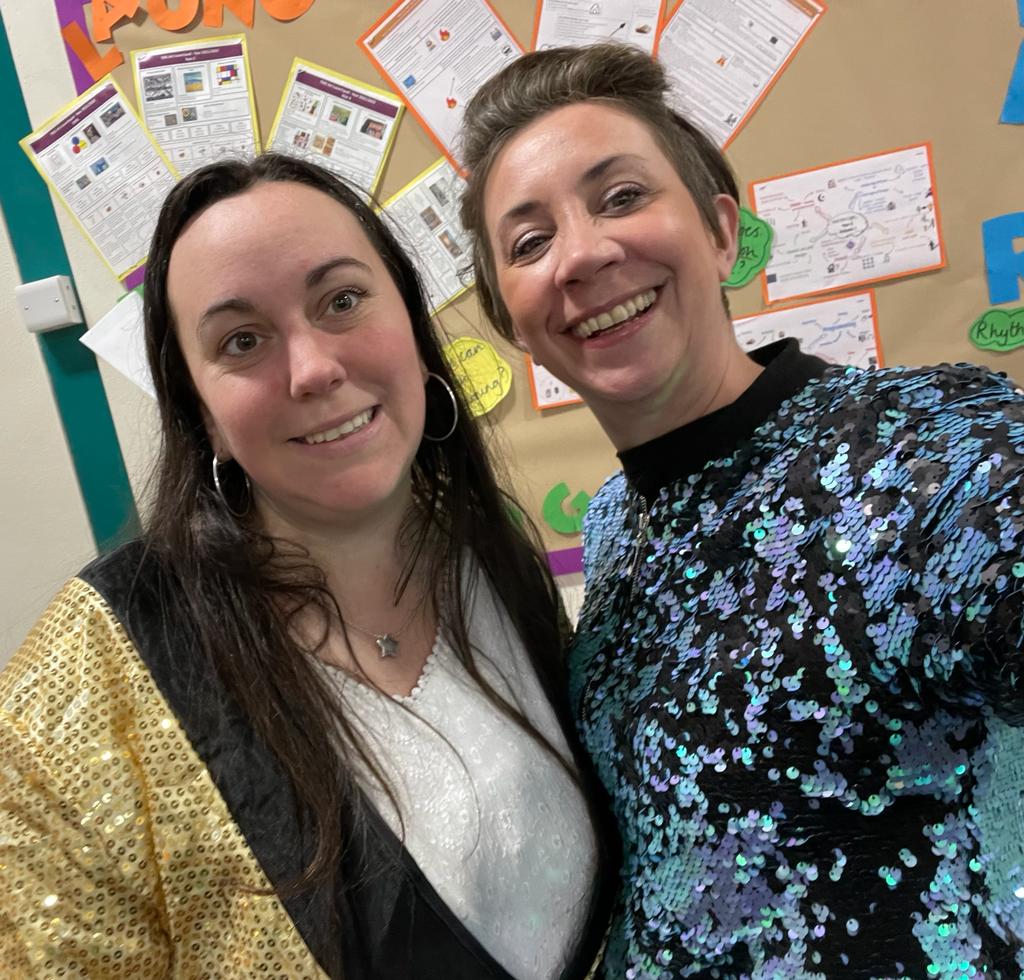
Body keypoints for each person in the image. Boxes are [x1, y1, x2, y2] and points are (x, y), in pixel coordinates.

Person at [459, 42, 1024, 979]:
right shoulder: (617, 525)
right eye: (529, 242)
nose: (584, 253)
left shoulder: (930, 446)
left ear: (721, 232)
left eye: (622, 196)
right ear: (513, 320)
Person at [0, 154, 615, 979]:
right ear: (203, 415)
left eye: (343, 300)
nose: (315, 368)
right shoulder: (90, 678)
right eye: (242, 340)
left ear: (414, 330)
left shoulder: (492, 564)